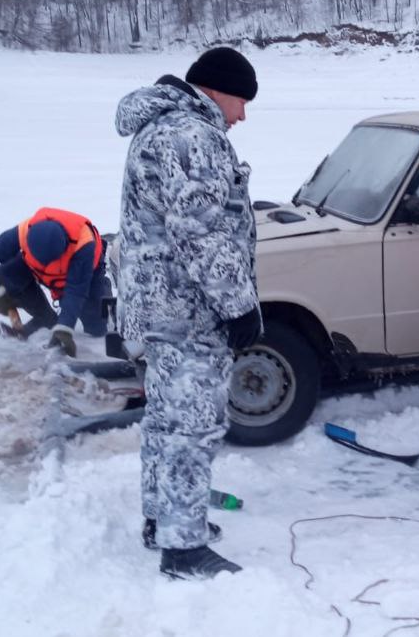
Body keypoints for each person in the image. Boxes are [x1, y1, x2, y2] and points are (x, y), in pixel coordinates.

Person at [114, 46, 261, 579]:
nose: (241, 115)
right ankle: (183, 547)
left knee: (164, 417)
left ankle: (162, 517)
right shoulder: (191, 136)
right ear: (216, 90)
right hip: (186, 307)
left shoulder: (162, 128)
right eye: (241, 101)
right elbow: (200, 230)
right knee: (191, 426)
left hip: (160, 303)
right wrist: (239, 304)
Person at [0, 207, 107, 357]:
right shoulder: (24, 231)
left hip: (85, 274)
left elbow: (75, 289)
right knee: (7, 275)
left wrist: (64, 328)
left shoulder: (83, 243)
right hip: (40, 271)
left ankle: (103, 289)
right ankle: (46, 318)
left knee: (96, 328)